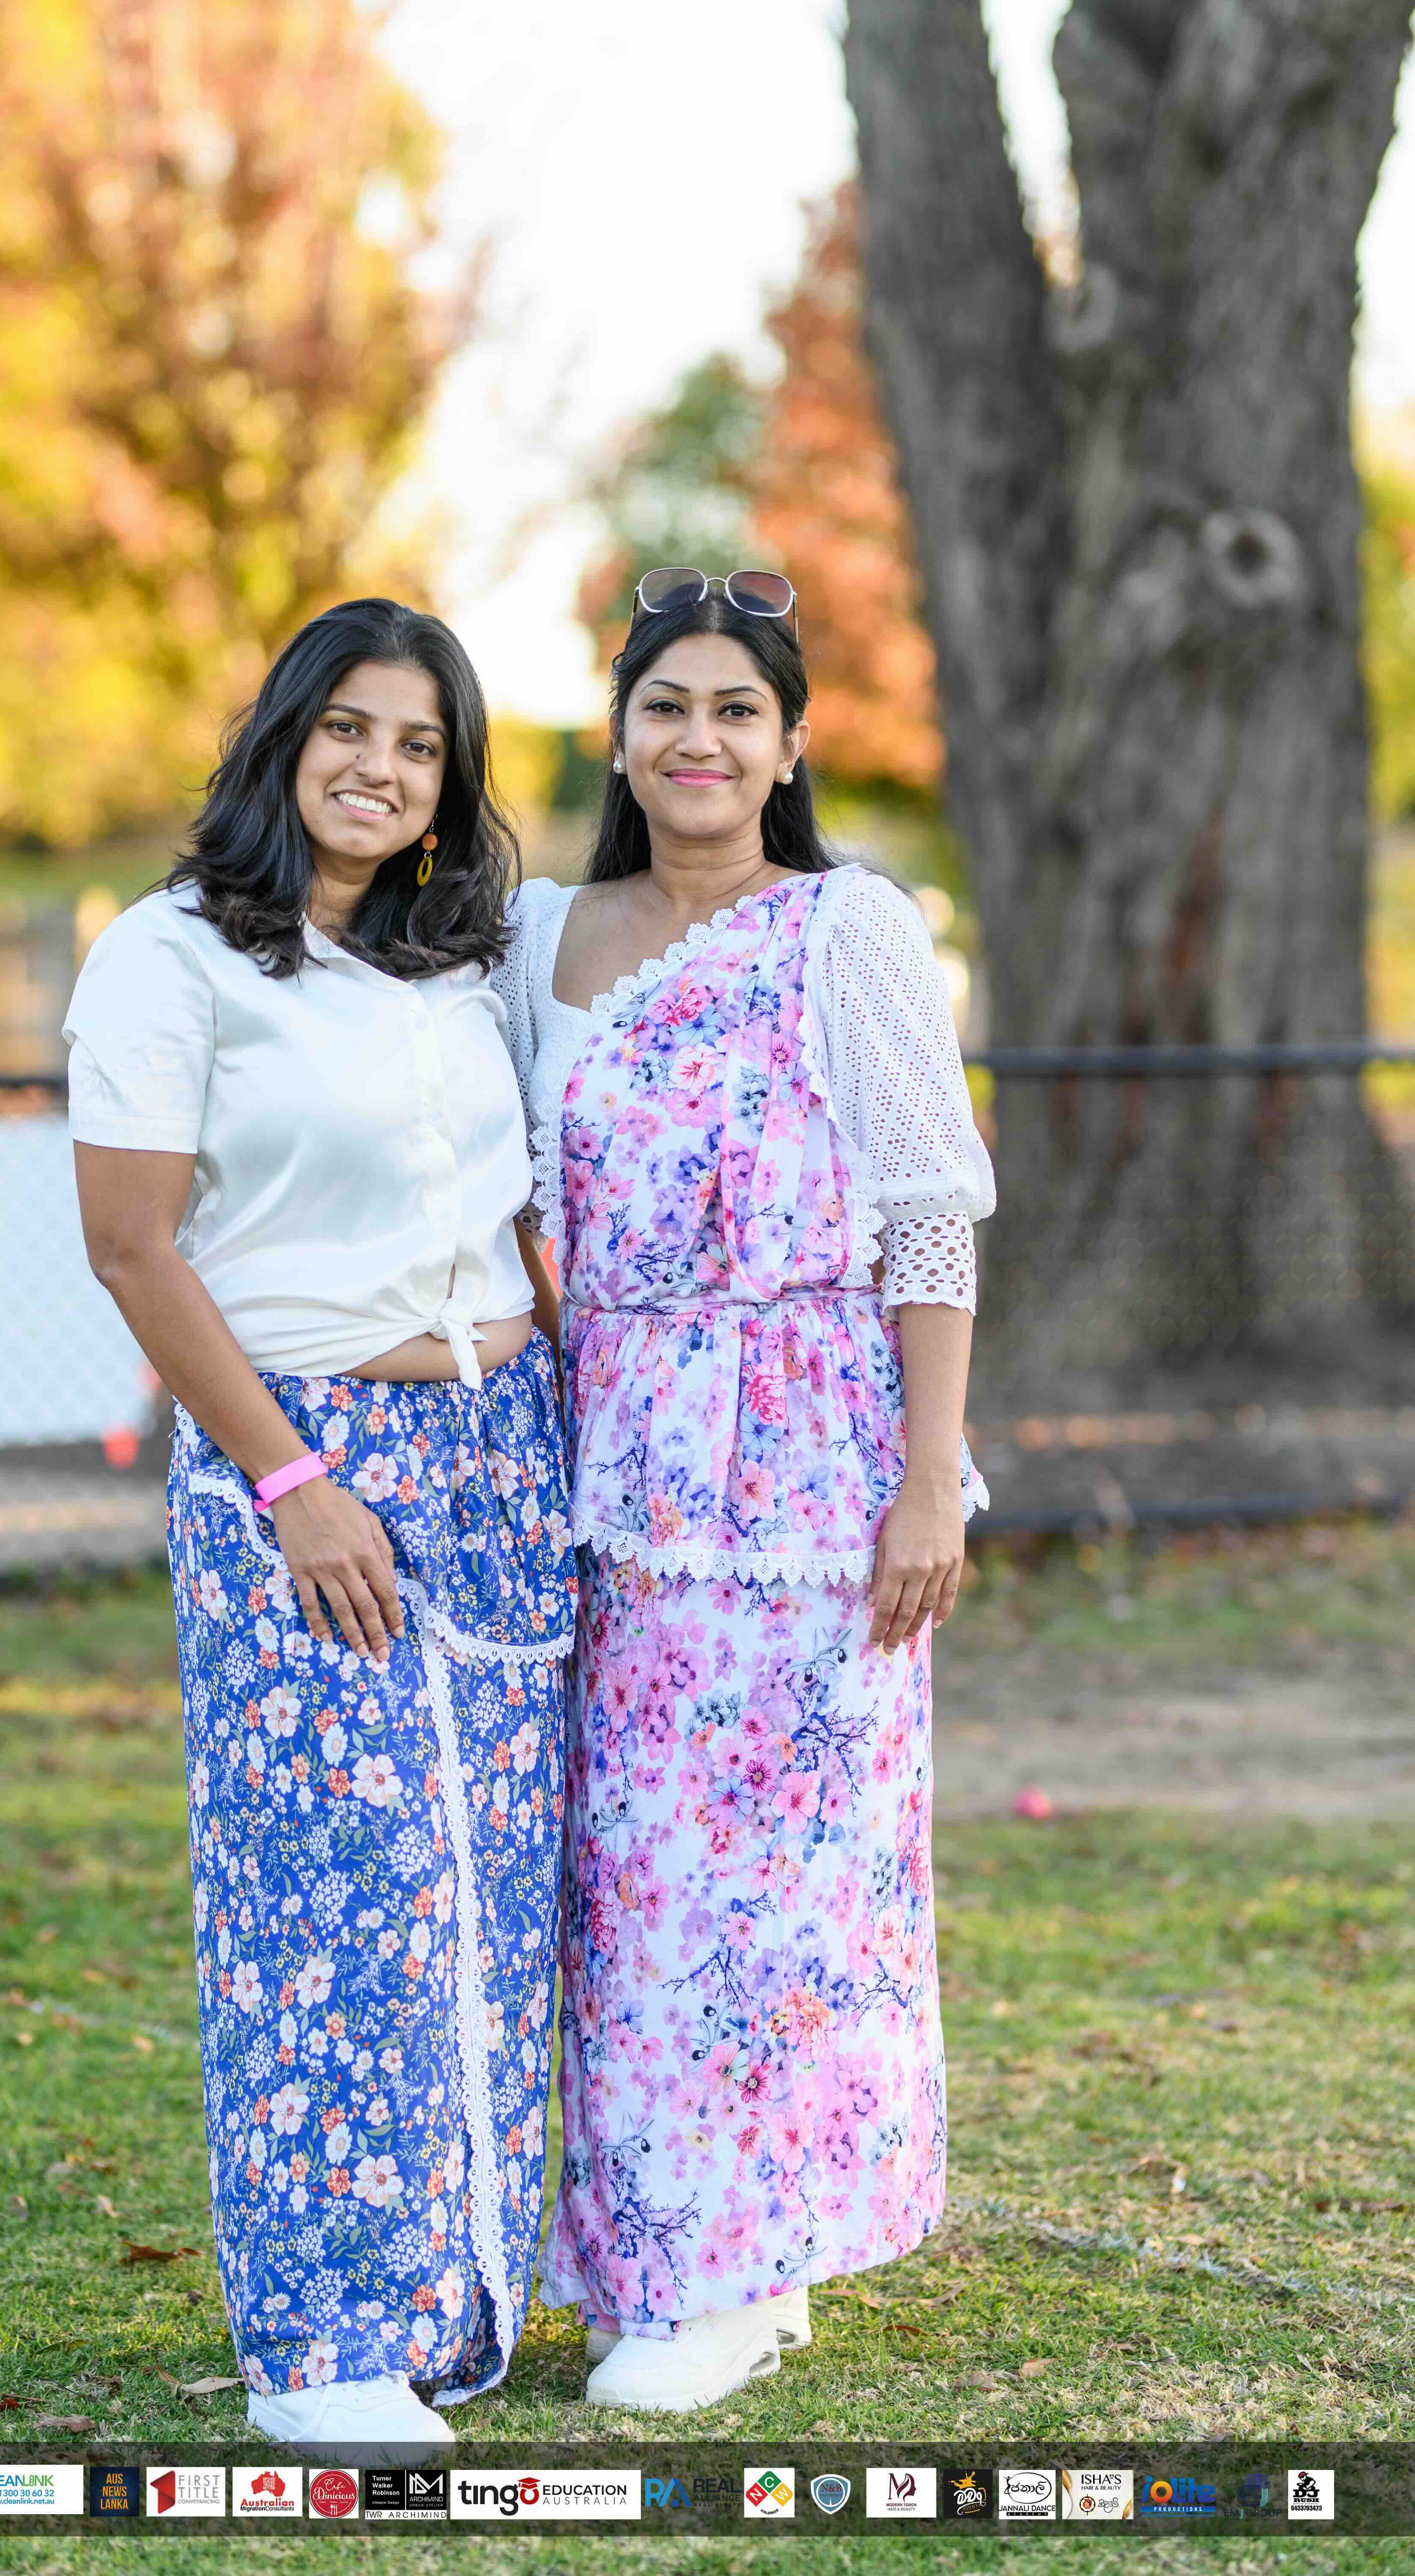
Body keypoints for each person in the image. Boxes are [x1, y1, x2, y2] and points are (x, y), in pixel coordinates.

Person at [65, 598, 575, 2454]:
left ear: (451, 780)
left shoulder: (468, 959)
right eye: (348, 729)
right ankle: (321, 2348)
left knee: (493, 1890)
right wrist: (293, 1485)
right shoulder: (173, 957)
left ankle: (453, 2303)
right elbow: (131, 1246)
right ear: (284, 735)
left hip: (504, 1444)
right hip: (306, 1459)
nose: (379, 768)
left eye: (420, 744)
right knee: (328, 1900)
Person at [492, 568, 995, 2413]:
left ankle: (745, 2263)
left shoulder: (846, 930)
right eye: (664, 707)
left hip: (807, 1459)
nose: (697, 741)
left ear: (791, 745)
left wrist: (926, 1481)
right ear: (615, 736)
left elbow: (927, 1210)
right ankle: (675, 2252)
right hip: (609, 1458)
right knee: (632, 1876)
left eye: (735, 711)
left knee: (791, 1876)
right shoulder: (535, 935)